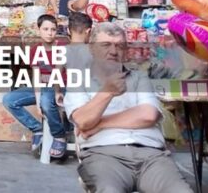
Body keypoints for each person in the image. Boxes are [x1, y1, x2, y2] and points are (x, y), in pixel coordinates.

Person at [65, 23, 192, 193]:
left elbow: (148, 115)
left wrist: (100, 124)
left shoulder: (139, 77)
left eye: (119, 45)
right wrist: (107, 93)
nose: (113, 51)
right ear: (92, 49)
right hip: (103, 155)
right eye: (106, 45)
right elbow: (82, 120)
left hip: (151, 155)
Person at [1, 14, 67, 159]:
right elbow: (36, 78)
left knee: (46, 102)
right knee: (9, 99)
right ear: (39, 30)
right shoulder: (35, 50)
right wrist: (37, 103)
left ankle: (59, 136)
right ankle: (37, 129)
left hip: (60, 88)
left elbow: (57, 74)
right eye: (45, 29)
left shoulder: (62, 47)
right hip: (42, 88)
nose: (49, 33)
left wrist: (44, 97)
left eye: (53, 29)